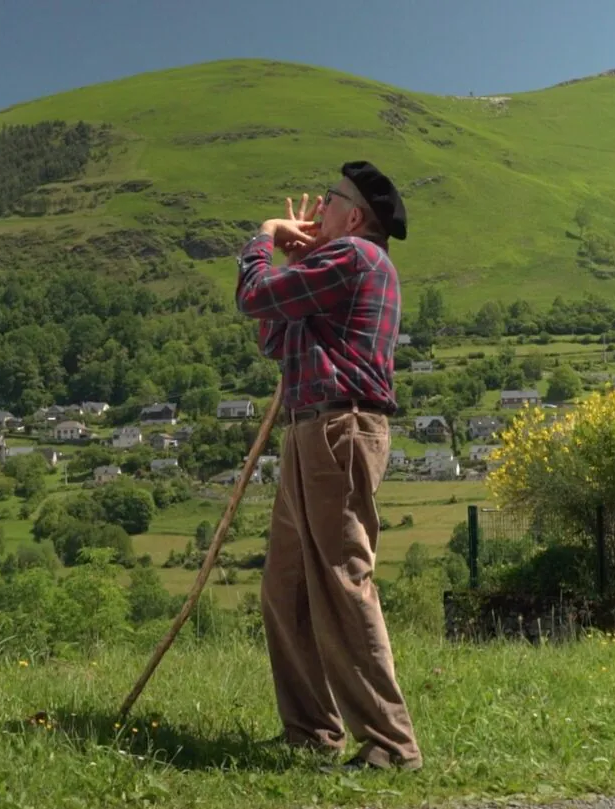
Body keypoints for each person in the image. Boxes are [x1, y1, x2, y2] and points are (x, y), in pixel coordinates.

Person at [234, 160, 420, 772]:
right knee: (285, 587)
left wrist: (265, 235)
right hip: (311, 427)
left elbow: (253, 296)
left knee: (343, 579)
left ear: (355, 216)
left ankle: (390, 745)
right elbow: (275, 334)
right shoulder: (333, 267)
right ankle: (311, 733)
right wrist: (293, 266)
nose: (315, 214)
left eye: (330, 202)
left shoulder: (357, 258)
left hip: (338, 430)